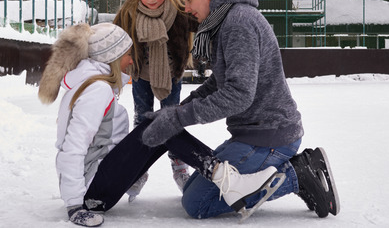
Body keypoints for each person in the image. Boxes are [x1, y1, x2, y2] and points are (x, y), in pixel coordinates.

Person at [142, 0, 340, 220]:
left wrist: (179, 118)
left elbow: (237, 94)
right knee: (192, 192)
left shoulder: (238, 23)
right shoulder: (224, 21)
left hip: (269, 137)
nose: (185, 7)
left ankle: (298, 173)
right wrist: (178, 110)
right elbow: (220, 82)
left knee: (197, 204)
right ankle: (279, 170)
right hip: (252, 135)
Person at [38, 23, 281, 227]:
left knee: (161, 123)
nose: (131, 60)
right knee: (160, 125)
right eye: (126, 55)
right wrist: (74, 205)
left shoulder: (95, 86)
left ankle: (225, 178)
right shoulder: (96, 91)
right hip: (92, 193)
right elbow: (72, 148)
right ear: (111, 58)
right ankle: (229, 180)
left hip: (99, 181)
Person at [113, 0, 199, 191]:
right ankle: (139, 167)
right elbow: (115, 37)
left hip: (171, 76)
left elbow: (203, 22)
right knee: (142, 120)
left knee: (172, 120)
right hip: (141, 75)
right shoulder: (130, 11)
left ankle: (179, 164)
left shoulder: (179, 9)